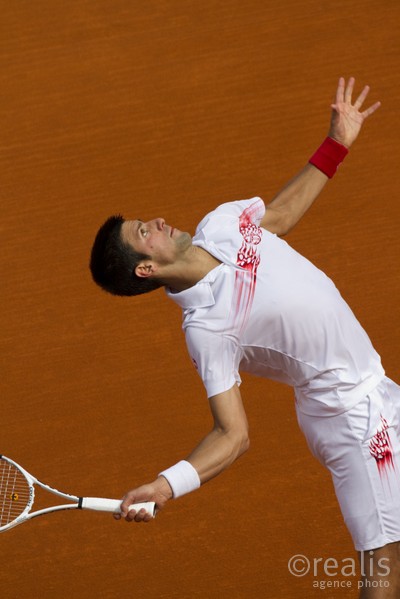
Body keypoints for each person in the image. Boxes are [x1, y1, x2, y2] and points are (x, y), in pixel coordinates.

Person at [90, 77, 400, 597]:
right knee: (383, 563)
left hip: (381, 388)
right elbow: (232, 435)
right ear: (146, 269)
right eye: (145, 232)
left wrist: (337, 144)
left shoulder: (223, 221)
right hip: (349, 417)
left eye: (147, 220)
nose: (158, 221)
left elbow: (277, 216)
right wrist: (166, 486)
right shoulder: (207, 329)